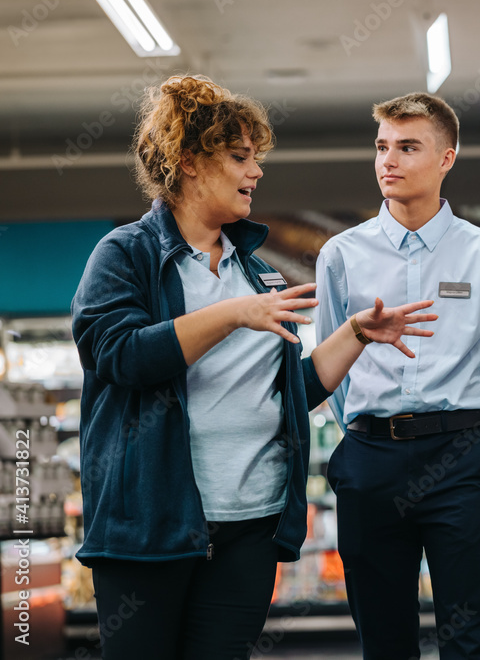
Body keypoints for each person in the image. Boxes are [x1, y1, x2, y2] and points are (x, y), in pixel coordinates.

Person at [70, 75, 437, 660]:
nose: (257, 172)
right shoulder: (126, 255)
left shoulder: (257, 273)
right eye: (241, 158)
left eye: (257, 158)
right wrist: (232, 315)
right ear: (188, 161)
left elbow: (289, 392)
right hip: (152, 525)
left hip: (250, 525)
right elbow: (118, 356)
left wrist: (357, 335)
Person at [315, 92, 480, 659]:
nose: (390, 160)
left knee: (473, 634)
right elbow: (329, 366)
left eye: (408, 147)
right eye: (382, 147)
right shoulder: (340, 255)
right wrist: (364, 436)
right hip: (369, 459)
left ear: (446, 159)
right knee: (383, 639)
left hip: (460, 456)